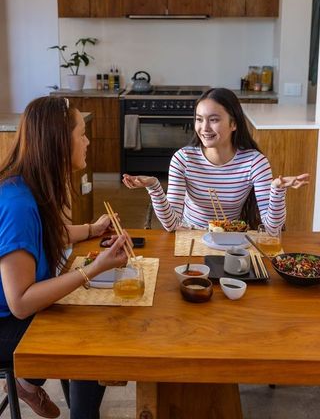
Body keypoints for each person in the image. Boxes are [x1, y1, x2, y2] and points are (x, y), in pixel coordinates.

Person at [0, 96, 129, 419]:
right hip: (5, 322)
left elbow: (47, 233)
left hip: (14, 311)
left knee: (89, 313)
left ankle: (32, 385)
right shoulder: (17, 204)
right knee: (87, 333)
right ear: (59, 143)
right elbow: (21, 302)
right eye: (81, 134)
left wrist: (91, 229)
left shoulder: (32, 186)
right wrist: (95, 268)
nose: (87, 141)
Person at [123, 88, 309, 233]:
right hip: (190, 237)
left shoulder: (255, 162)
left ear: (234, 123)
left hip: (231, 238)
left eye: (213, 120)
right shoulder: (183, 159)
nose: (204, 128)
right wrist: (155, 186)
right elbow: (172, 225)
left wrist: (277, 190)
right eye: (199, 119)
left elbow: (271, 229)